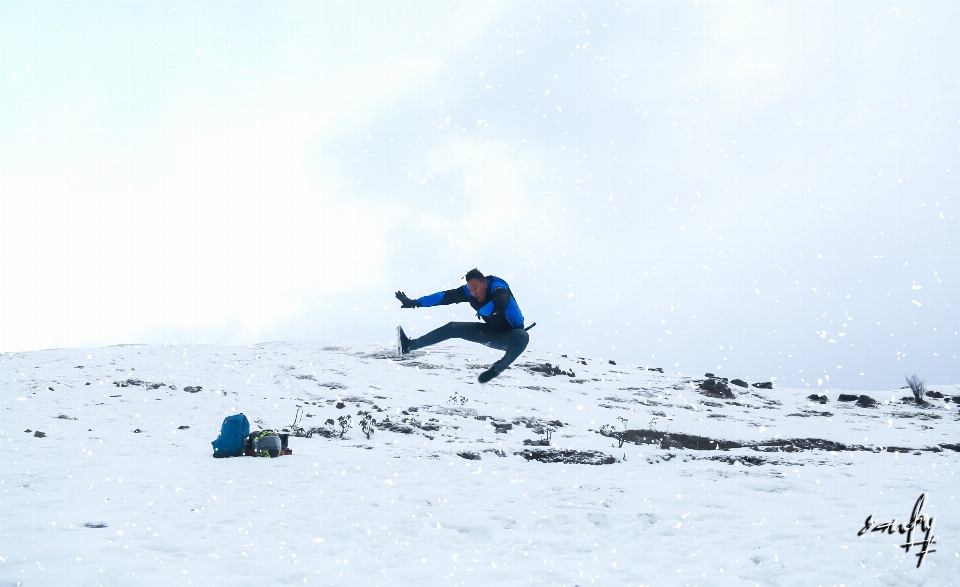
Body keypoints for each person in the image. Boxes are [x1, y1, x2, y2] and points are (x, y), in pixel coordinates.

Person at [394, 269, 530, 383]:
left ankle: (496, 369)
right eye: (470, 290)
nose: (473, 293)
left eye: (475, 288)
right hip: (491, 332)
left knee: (523, 336)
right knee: (453, 327)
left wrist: (484, 310)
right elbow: (444, 297)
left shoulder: (498, 286)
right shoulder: (469, 292)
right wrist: (415, 303)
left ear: (484, 283)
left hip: (510, 336)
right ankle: (408, 346)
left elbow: (500, 301)